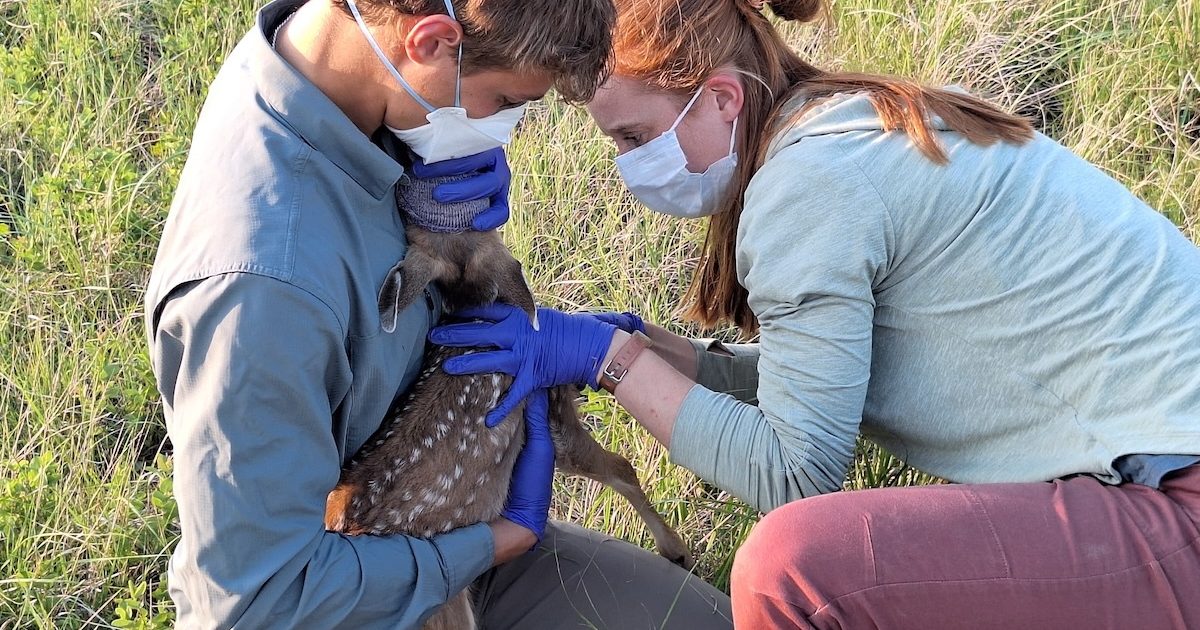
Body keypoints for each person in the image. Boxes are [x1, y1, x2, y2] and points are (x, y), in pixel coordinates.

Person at [430, 0, 1200, 627]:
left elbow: (797, 475)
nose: (630, 165)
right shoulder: (844, 129)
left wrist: (608, 361)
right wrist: (687, 363)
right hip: (1157, 464)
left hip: (1176, 498)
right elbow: (834, 383)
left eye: (634, 136)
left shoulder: (811, 184)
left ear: (721, 97)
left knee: (794, 568)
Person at [145, 0, 733, 627]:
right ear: (429, 42)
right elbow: (258, 604)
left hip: (445, 511)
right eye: (506, 103)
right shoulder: (262, 293)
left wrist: (446, 218)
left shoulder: (342, 81)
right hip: (349, 590)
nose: (503, 129)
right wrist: (495, 542)